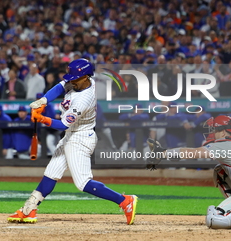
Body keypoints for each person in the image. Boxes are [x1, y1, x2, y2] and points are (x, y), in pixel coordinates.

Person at [8, 58, 138, 225]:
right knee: (51, 173)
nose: (70, 81)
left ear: (85, 77)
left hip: (80, 138)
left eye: (74, 79)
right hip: (71, 135)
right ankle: (29, 209)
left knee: (83, 183)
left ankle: (124, 201)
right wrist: (44, 101)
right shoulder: (80, 80)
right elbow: (60, 86)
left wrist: (42, 119)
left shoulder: (83, 99)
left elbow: (62, 125)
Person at [146, 115, 231, 229]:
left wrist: (162, 153)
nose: (212, 133)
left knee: (214, 218)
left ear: (223, 132)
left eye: (215, 130)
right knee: (220, 170)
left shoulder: (225, 144)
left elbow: (191, 153)